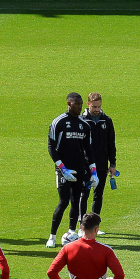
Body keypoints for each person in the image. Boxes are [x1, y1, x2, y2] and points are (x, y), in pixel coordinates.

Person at [47, 92, 97, 247]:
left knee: (76, 201)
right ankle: (52, 236)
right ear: (69, 103)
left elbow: (89, 149)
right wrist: (62, 168)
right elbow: (52, 147)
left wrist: (93, 172)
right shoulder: (59, 122)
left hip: (79, 169)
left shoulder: (84, 125)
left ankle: (71, 232)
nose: (80, 107)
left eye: (81, 104)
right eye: (77, 104)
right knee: (63, 201)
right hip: (64, 170)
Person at [84, 92, 118, 223]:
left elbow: (111, 144)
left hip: (102, 163)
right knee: (84, 194)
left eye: (99, 106)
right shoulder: (82, 120)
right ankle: (82, 225)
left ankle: (94, 225)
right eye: (94, 107)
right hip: (85, 164)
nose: (97, 109)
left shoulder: (107, 121)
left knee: (98, 195)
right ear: (88, 104)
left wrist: (113, 164)